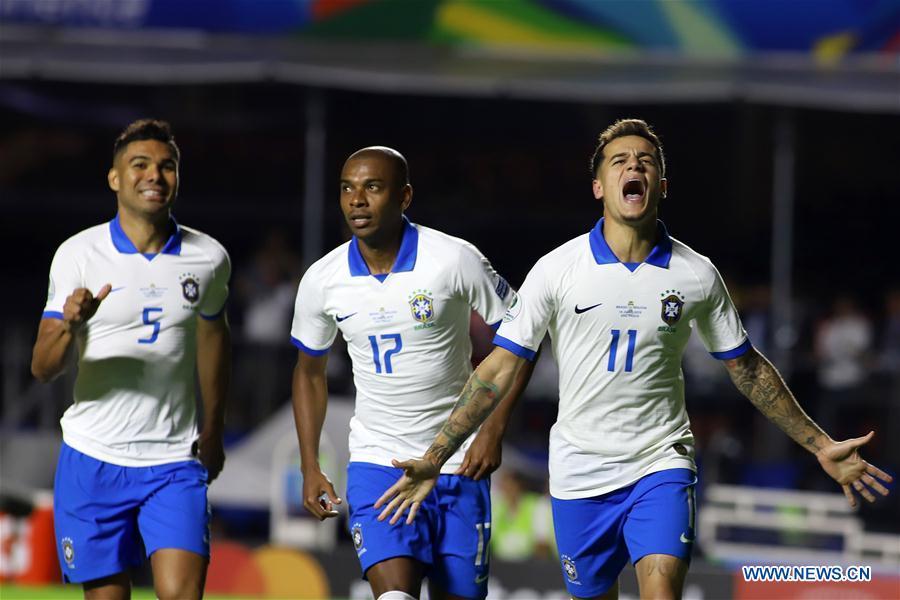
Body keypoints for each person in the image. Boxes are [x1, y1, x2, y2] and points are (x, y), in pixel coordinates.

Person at [375, 119, 893, 599]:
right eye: (619, 160)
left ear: (661, 186)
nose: (634, 166)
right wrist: (438, 454)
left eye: (646, 160)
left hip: (659, 461)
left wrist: (820, 444)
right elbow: (499, 367)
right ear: (599, 186)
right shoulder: (558, 270)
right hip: (579, 474)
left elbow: (749, 368)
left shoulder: (695, 274)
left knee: (661, 588)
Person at [290, 146, 530, 600]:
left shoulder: (453, 259)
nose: (356, 200)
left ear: (404, 197)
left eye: (372, 187)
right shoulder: (322, 280)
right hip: (379, 463)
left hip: (457, 463)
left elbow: (522, 338)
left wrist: (492, 430)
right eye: (347, 188)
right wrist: (310, 465)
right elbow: (308, 373)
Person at [31, 119, 231, 600]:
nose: (154, 176)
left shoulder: (209, 258)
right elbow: (42, 366)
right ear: (115, 178)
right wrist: (69, 324)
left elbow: (213, 340)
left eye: (167, 167)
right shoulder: (78, 255)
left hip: (173, 461)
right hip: (92, 458)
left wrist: (215, 428)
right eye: (139, 165)